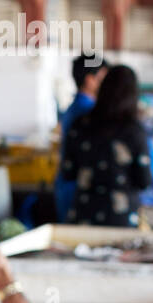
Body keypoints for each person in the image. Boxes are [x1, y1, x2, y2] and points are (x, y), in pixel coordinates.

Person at [59, 64, 151, 227]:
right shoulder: (134, 131)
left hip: (84, 215)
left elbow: (68, 172)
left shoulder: (80, 125)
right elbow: (144, 181)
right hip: (121, 220)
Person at [54, 53, 109, 222]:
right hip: (76, 186)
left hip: (68, 183)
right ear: (90, 80)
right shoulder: (88, 112)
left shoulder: (76, 106)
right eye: (103, 78)